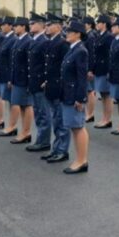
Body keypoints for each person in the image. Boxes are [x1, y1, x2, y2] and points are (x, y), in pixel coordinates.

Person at [61, 20, 90, 174]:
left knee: (78, 127)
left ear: (78, 34)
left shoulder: (80, 51)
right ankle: (80, 159)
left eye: (70, 31)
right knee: (74, 127)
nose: (67, 33)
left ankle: (82, 160)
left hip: (74, 95)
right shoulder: (72, 49)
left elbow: (82, 77)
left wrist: (80, 98)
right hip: (68, 93)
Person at [41, 13, 70, 163]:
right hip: (51, 86)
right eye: (46, 25)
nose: (46, 27)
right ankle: (56, 148)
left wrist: (59, 84)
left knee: (61, 120)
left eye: (49, 25)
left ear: (58, 26)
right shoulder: (50, 42)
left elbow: (65, 69)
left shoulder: (63, 44)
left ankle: (62, 150)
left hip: (59, 88)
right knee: (56, 120)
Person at [25, 12, 53, 153]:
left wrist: (45, 80)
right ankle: (41, 139)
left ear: (41, 25)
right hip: (34, 82)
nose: (30, 25)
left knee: (43, 113)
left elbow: (47, 64)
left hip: (40, 82)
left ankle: (44, 141)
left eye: (32, 23)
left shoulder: (44, 41)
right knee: (37, 112)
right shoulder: (35, 40)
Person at [8, 16, 34, 144]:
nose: (14, 27)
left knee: (27, 105)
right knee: (22, 105)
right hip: (18, 77)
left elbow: (29, 63)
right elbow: (15, 62)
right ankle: (24, 131)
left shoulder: (28, 41)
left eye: (17, 25)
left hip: (24, 78)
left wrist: (29, 80)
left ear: (23, 26)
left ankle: (26, 132)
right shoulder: (19, 40)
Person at [92, 15, 114, 129]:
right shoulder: (99, 36)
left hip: (105, 69)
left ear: (104, 24)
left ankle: (107, 119)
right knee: (103, 95)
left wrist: (110, 70)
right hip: (99, 69)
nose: (97, 24)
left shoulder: (108, 37)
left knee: (107, 95)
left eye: (99, 22)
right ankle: (104, 118)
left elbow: (110, 55)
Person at [0, 17, 16, 134]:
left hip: (8, 75)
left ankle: (12, 126)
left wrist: (10, 78)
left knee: (12, 102)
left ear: (10, 26)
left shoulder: (12, 39)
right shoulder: (5, 38)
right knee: (8, 100)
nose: (2, 27)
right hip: (3, 73)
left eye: (4, 25)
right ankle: (10, 124)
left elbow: (11, 60)